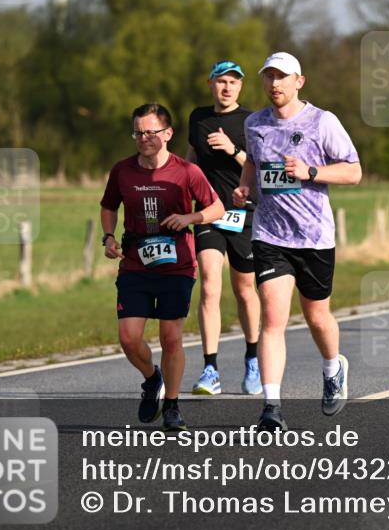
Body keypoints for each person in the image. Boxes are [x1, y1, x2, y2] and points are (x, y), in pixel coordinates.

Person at [233, 52, 362, 431]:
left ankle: (333, 367)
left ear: (299, 81)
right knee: (273, 318)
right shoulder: (254, 123)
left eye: (282, 77)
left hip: (314, 236)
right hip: (270, 235)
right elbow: (252, 162)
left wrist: (311, 171)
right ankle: (271, 408)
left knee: (317, 316)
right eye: (269, 76)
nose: (275, 84)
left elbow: (354, 171)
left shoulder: (323, 121)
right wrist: (244, 186)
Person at [100, 103, 224, 431]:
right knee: (129, 338)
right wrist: (108, 236)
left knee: (171, 338)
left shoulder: (187, 171)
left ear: (167, 134)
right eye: (138, 133)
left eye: (151, 132)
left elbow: (217, 208)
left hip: (176, 265)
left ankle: (171, 405)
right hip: (135, 264)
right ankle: (151, 378)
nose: (144, 138)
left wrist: (189, 217)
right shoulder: (123, 171)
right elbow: (108, 206)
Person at [186, 60, 262, 396]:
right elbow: (191, 157)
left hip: (243, 213)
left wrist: (233, 150)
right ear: (210, 84)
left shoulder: (252, 121)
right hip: (208, 213)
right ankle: (210, 369)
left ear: (240, 86)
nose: (227, 87)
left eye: (233, 81)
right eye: (221, 81)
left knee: (245, 290)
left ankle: (253, 358)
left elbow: (259, 166)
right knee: (209, 286)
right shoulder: (198, 118)